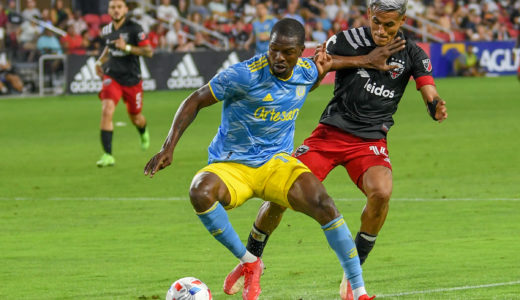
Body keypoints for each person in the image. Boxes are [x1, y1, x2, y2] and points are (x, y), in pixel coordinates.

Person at [225, 0, 448, 299]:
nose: (381, 30)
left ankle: (352, 270)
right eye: (376, 22)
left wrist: (434, 105)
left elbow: (428, 88)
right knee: (281, 194)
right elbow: (316, 70)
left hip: (370, 141)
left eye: (389, 25)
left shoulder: (413, 54)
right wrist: (367, 60)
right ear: (369, 15)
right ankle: (251, 261)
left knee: (381, 192)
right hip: (329, 134)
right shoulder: (347, 40)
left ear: (403, 21)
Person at [144, 18, 376, 300]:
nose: (278, 57)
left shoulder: (307, 72)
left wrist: (368, 59)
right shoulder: (243, 75)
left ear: (300, 51)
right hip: (232, 165)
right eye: (273, 50)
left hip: (275, 164)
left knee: (324, 204)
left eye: (287, 52)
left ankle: (360, 290)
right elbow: (195, 99)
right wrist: (168, 147)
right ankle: (250, 261)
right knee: (199, 191)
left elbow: (327, 66)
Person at [94, 0, 153, 167]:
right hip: (112, 77)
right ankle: (108, 155)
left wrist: (126, 47)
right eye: (113, 7)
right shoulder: (106, 30)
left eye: (119, 7)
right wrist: (99, 62)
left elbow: (149, 52)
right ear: (108, 10)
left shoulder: (135, 28)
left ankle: (142, 131)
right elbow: (109, 49)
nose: (116, 10)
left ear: (126, 9)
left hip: (132, 79)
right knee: (107, 109)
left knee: (136, 117)